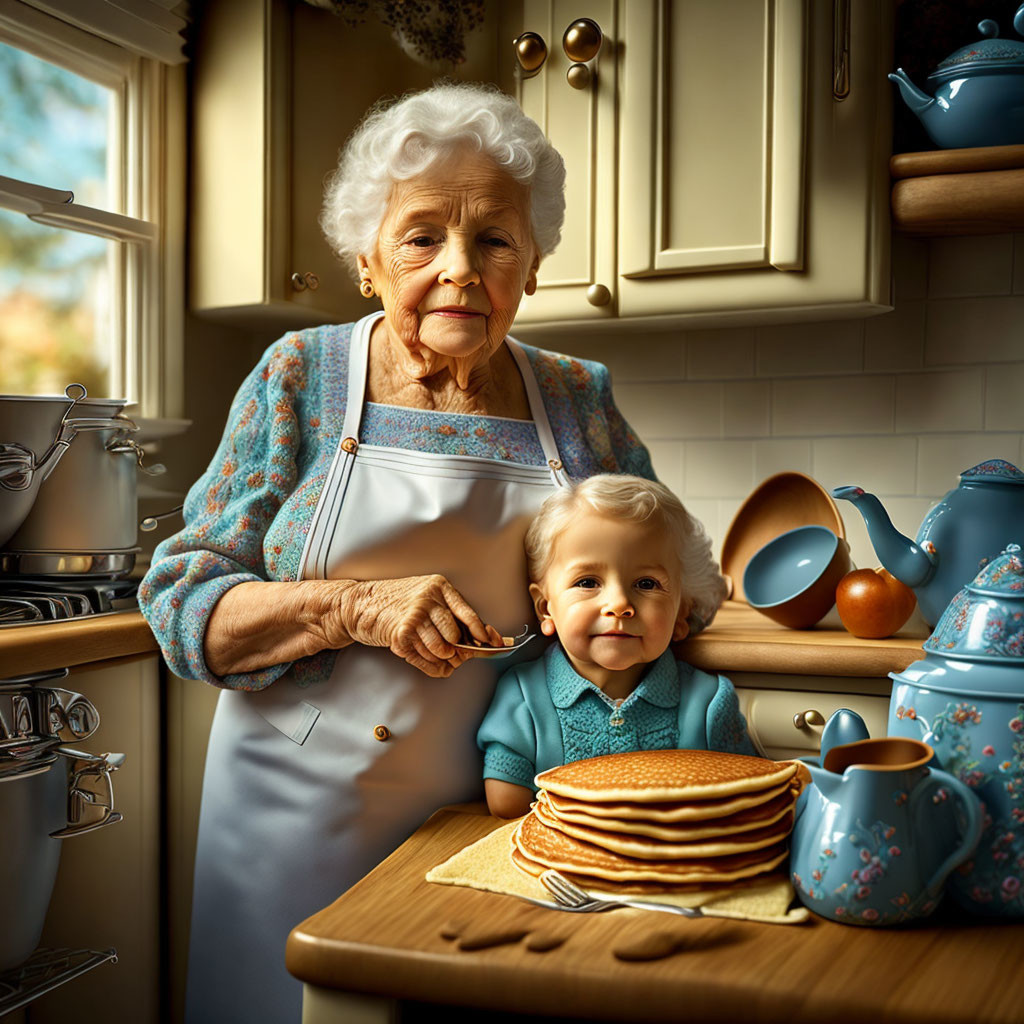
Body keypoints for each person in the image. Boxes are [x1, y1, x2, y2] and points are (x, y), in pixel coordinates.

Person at [139, 82, 656, 1024]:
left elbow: (649, 575)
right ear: (370, 260)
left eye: (494, 239)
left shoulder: (578, 397)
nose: (460, 269)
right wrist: (351, 605)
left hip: (505, 813)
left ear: (533, 265)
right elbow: (181, 602)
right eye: (422, 237)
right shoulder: (300, 374)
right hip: (297, 815)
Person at [477, 475, 759, 819]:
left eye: (646, 583)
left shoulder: (709, 704)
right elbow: (506, 808)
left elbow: (745, 806)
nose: (619, 604)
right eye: (587, 582)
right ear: (545, 609)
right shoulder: (522, 700)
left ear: (682, 612)